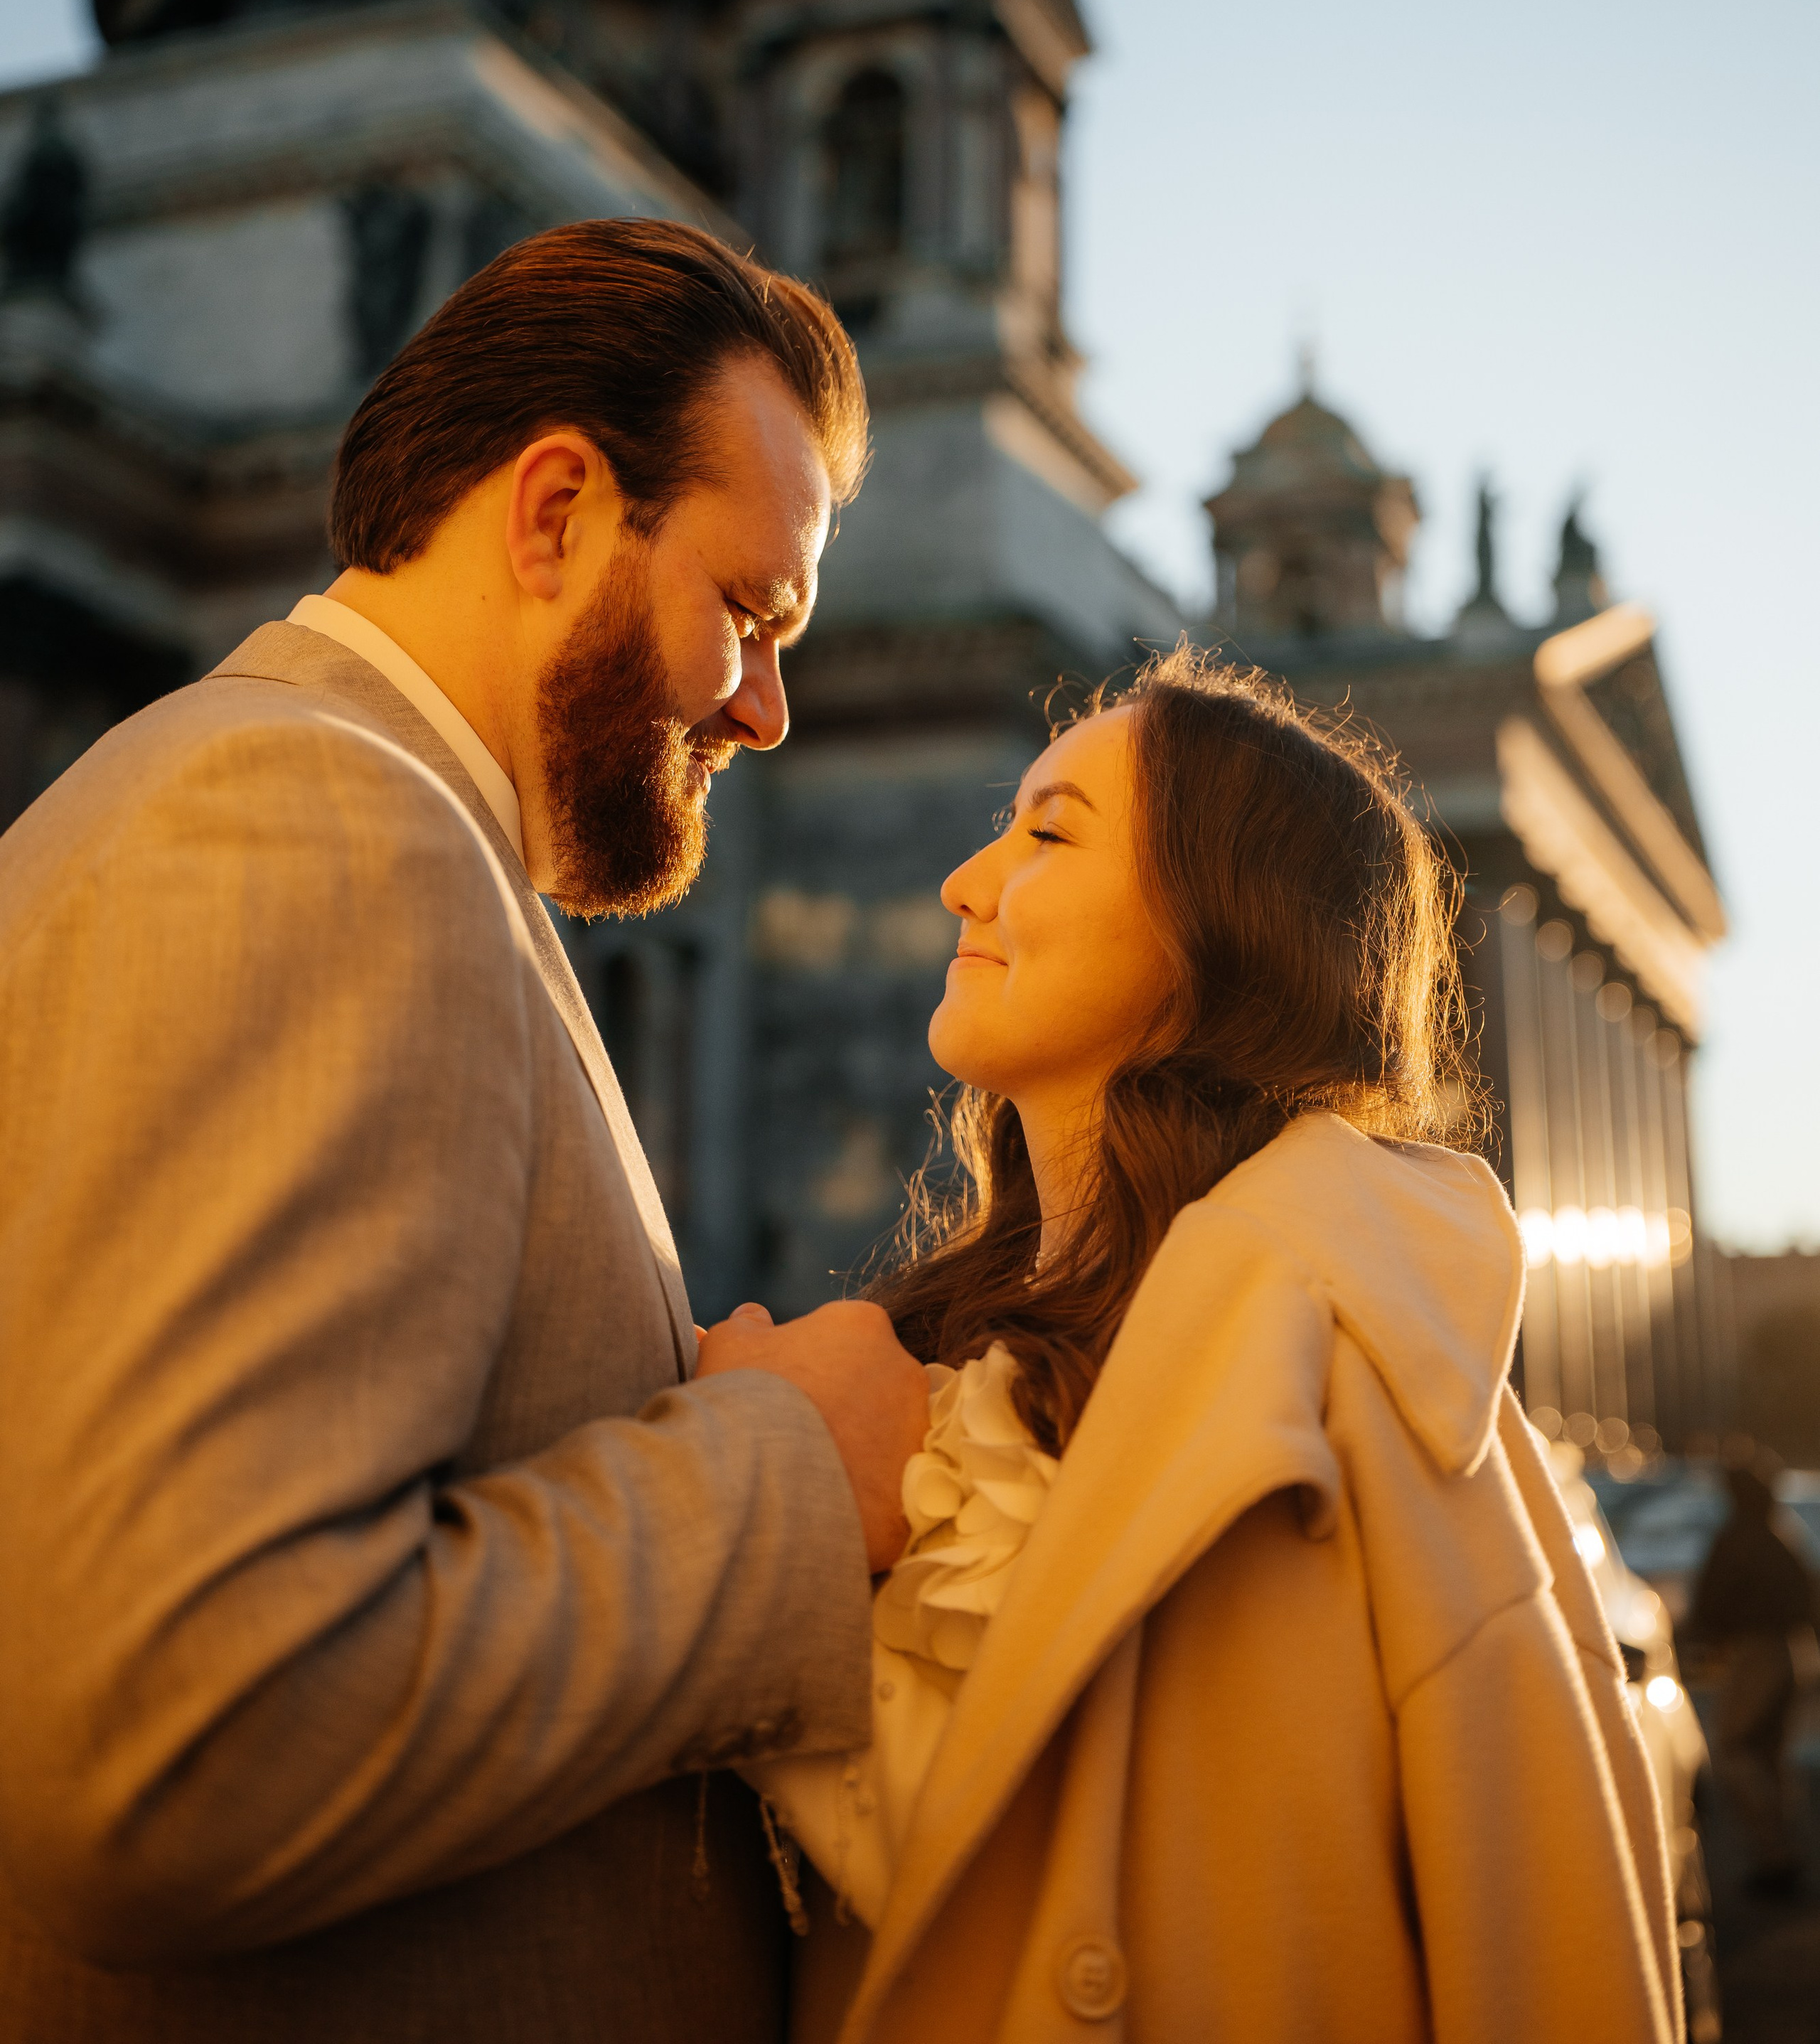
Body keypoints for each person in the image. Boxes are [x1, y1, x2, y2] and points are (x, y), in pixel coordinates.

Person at [0, 218, 930, 2043]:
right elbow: (178, 1734)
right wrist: (783, 1479)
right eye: (747, 608)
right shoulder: (315, 821)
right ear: (557, 509)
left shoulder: (310, 811)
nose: (767, 705)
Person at [740, 648, 1683, 2044]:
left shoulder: (1382, 1393)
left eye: (1047, 831)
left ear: (1220, 927)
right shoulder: (893, 1371)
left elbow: (1551, 1968)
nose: (963, 881)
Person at [1688, 1457, 1817, 1899]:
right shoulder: (1782, 1536)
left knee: (1735, 1753)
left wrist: (1700, 1644)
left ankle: (1775, 1859)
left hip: (1755, 1653)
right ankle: (1781, 1857)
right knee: (1769, 1758)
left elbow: (1710, 1604)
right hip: (1792, 1651)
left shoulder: (1737, 1539)